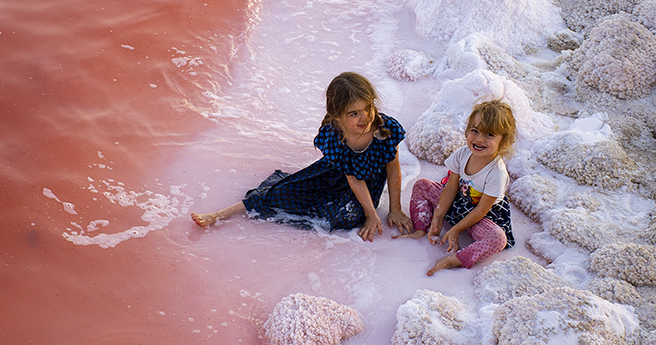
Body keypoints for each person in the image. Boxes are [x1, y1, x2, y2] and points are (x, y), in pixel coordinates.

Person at [191, 72, 414, 241]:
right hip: (333, 175)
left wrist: (394, 208)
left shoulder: (385, 129)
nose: (364, 118)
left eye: (367, 108)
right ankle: (221, 213)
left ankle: (353, 210)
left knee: (342, 218)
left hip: (369, 184)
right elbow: (352, 178)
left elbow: (393, 168)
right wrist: (372, 214)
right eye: (353, 114)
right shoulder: (336, 136)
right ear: (337, 117)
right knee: (280, 194)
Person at [397, 99, 516, 275]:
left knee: (498, 238)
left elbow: (481, 210)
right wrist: (438, 215)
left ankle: (458, 258)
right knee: (422, 185)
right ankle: (421, 227)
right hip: (459, 201)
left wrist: (455, 229)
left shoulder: (497, 173)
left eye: (490, 135)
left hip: (482, 215)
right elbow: (451, 188)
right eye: (475, 131)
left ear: (503, 142)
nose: (480, 139)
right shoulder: (463, 154)